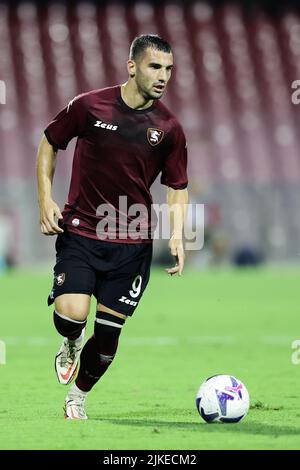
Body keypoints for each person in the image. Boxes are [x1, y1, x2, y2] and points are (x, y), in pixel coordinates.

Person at [36, 34, 189, 420]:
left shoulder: (169, 128)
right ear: (132, 66)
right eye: (155, 67)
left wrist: (178, 235)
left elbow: (177, 188)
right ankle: (70, 342)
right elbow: (50, 142)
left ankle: (79, 395)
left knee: (106, 338)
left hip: (133, 243)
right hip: (83, 231)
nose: (163, 76)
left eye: (169, 69)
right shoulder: (89, 107)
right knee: (72, 314)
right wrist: (45, 199)